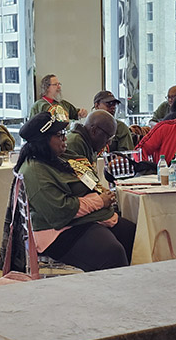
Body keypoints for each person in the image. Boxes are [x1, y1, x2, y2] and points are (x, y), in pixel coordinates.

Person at [15, 111, 136, 272]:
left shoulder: (60, 157)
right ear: (44, 140)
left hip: (80, 221)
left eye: (64, 133)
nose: (65, 138)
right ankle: (111, 287)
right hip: (57, 233)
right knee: (112, 252)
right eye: (59, 135)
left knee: (133, 235)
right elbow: (60, 212)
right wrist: (99, 201)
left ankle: (129, 282)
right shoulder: (35, 171)